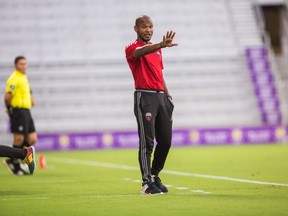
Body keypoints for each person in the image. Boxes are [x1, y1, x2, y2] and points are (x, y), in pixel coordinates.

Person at [125, 15, 177, 195]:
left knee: (166, 141)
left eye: (150, 27)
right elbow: (140, 52)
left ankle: (154, 175)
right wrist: (161, 45)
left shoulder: (157, 50)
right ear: (136, 29)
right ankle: (146, 184)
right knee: (147, 143)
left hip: (161, 97)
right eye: (144, 27)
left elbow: (159, 73)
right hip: (144, 97)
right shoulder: (132, 48)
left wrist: (168, 96)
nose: (148, 30)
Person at [3, 56, 37, 175]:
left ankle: (24, 156)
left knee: (32, 138)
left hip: (27, 110)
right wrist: (10, 109)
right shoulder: (14, 78)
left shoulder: (24, 77)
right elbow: (7, 97)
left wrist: (31, 99)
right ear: (15, 65)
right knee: (19, 138)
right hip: (18, 111)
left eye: (25, 64)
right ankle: (14, 163)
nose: (23, 66)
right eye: (21, 64)